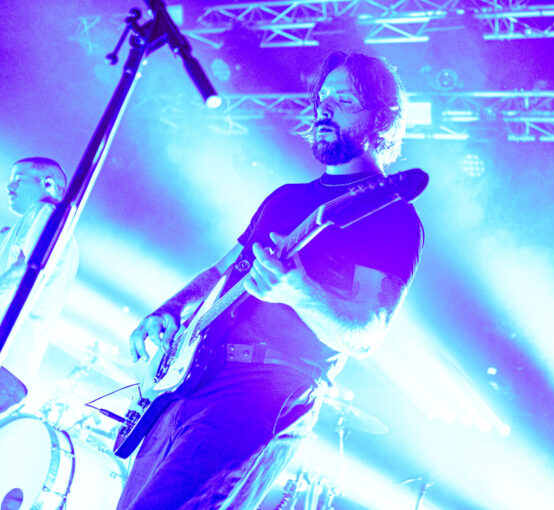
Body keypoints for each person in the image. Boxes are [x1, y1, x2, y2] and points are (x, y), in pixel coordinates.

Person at [117, 51, 424, 509]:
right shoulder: (285, 199)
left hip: (261, 396)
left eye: (343, 100)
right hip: (192, 378)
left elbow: (365, 334)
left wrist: (299, 292)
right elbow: (222, 271)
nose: (325, 109)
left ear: (381, 119)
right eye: (322, 99)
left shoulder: (392, 217)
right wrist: (171, 310)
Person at [0, 157, 79, 414]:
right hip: (14, 368)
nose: (9, 187)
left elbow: (19, 275)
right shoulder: (60, 232)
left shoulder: (45, 212)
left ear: (47, 184)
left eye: (18, 180)